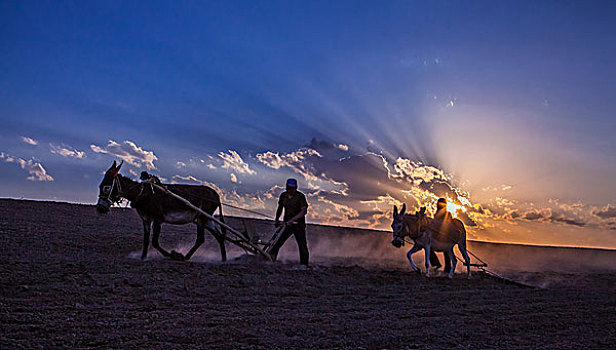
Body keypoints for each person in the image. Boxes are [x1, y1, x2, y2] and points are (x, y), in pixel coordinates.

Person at [268, 178, 309, 266]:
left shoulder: (300, 197)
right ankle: (271, 259)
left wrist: (292, 220)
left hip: (299, 225)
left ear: (296, 188)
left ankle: (304, 265)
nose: (291, 190)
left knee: (302, 245)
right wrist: (276, 219)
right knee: (277, 242)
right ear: (286, 187)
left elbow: (303, 212)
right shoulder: (283, 196)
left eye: (293, 188)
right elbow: (280, 208)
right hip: (286, 225)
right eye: (290, 188)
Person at [429, 198, 452, 273]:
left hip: (446, 236)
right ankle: (436, 264)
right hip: (436, 235)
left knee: (447, 251)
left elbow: (448, 224)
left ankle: (448, 268)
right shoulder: (436, 214)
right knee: (429, 248)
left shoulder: (448, 214)